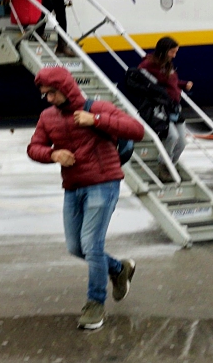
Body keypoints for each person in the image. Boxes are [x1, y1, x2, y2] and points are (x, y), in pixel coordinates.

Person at [28, 66, 146, 331]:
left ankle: (95, 304)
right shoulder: (48, 117)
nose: (49, 99)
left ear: (67, 89)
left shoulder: (98, 107)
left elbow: (136, 130)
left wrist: (97, 120)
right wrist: (52, 155)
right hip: (73, 187)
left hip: (104, 184)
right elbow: (33, 147)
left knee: (92, 245)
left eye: (52, 93)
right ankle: (118, 269)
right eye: (45, 95)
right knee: (75, 247)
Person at [135, 36, 194, 163]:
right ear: (164, 50)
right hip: (159, 107)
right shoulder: (148, 65)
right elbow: (141, 81)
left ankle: (171, 165)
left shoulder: (167, 65)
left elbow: (171, 82)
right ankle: (164, 164)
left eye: (176, 52)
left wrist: (183, 85)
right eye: (172, 52)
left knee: (182, 142)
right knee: (172, 136)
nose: (174, 56)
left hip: (173, 106)